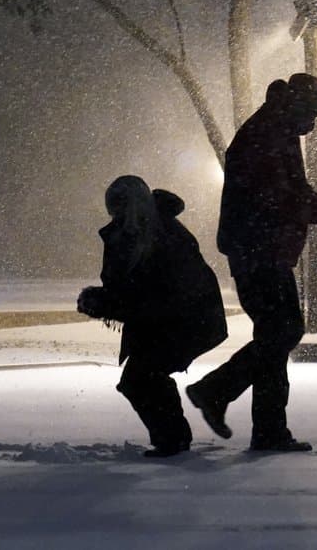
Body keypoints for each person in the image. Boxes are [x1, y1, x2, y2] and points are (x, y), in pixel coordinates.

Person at [185, 73, 317, 452]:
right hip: (258, 252)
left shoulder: (277, 129)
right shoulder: (267, 135)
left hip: (263, 250)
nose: (314, 124)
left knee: (275, 336)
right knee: (282, 333)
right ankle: (215, 391)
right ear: (298, 106)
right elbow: (279, 198)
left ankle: (267, 428)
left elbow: (293, 192)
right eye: (313, 115)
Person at [78, 175, 227, 457]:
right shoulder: (133, 235)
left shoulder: (163, 236)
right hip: (171, 323)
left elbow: (157, 294)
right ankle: (172, 439)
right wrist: (106, 301)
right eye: (113, 208)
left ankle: (172, 440)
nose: (115, 214)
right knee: (144, 378)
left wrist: (106, 303)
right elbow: (132, 291)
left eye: (119, 207)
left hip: (185, 323)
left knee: (142, 378)